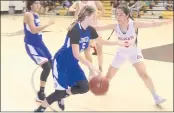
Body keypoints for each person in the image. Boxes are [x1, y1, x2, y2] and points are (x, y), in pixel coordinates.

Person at [34, 5, 129, 112]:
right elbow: (76, 54)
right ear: (87, 16)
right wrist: (91, 67)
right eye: (94, 16)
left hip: (72, 64)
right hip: (61, 63)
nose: (95, 19)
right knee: (58, 93)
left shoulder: (90, 30)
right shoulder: (75, 30)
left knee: (84, 87)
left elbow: (101, 42)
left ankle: (64, 94)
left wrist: (119, 42)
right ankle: (41, 109)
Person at [94, 5, 172, 105]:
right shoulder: (115, 26)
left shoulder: (134, 24)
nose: (118, 17)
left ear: (127, 15)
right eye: (116, 14)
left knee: (144, 74)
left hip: (134, 52)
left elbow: (152, 24)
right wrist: (83, 25)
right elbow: (99, 27)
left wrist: (167, 22)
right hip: (121, 53)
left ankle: (156, 96)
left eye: (121, 14)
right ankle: (102, 89)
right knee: (108, 76)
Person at [23, 1, 55, 102]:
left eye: (39, 3)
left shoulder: (36, 15)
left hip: (40, 44)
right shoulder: (28, 14)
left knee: (52, 64)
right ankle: (40, 93)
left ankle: (61, 86)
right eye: (36, 3)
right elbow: (33, 30)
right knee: (47, 67)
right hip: (32, 45)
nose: (38, 5)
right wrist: (48, 24)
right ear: (30, 5)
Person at [69, 0, 105, 72]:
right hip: (85, 28)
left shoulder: (95, 1)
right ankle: (91, 69)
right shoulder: (78, 3)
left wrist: (96, 17)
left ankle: (100, 69)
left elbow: (103, 11)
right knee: (86, 50)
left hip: (96, 26)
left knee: (99, 49)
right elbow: (74, 13)